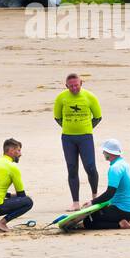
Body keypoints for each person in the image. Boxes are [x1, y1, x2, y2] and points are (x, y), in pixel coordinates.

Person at [54, 73, 103, 211]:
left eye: (76, 85)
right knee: (72, 168)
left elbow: (98, 117)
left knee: (90, 167)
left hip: (85, 137)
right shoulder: (61, 98)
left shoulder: (90, 97)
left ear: (81, 83)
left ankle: (95, 196)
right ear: (66, 86)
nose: (74, 88)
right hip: (68, 138)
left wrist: (86, 128)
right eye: (71, 86)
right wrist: (69, 128)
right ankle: (75, 202)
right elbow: (57, 117)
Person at [80, 139, 130, 230]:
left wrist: (92, 202)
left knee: (88, 222)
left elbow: (110, 193)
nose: (103, 153)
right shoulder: (123, 163)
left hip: (121, 210)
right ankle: (125, 220)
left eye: (104, 151)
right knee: (96, 214)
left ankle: (120, 225)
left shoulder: (115, 168)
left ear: (109, 152)